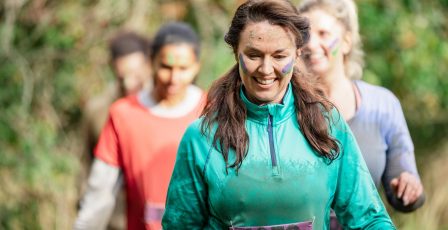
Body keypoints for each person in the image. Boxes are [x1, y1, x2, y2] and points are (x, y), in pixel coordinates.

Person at [162, 0, 395, 229]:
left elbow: (368, 219)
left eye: (279, 56)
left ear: (297, 53)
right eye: (253, 55)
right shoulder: (201, 138)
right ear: (236, 53)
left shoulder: (327, 124)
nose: (266, 69)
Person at [74, 22, 205, 230]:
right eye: (166, 67)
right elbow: (99, 193)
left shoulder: (211, 112)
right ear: (152, 62)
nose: (174, 78)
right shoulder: (122, 115)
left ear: (197, 66)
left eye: (183, 69)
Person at [298, 0, 425, 213]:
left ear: (347, 41)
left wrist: (409, 188)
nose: (311, 44)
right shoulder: (285, 107)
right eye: (305, 36)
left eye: (323, 33)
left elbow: (404, 188)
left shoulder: (383, 105)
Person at [79, 31, 152, 230]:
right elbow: (86, 167)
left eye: (136, 76)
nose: (129, 84)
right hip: (113, 220)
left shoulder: (165, 106)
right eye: (121, 77)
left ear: (149, 65)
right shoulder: (98, 111)